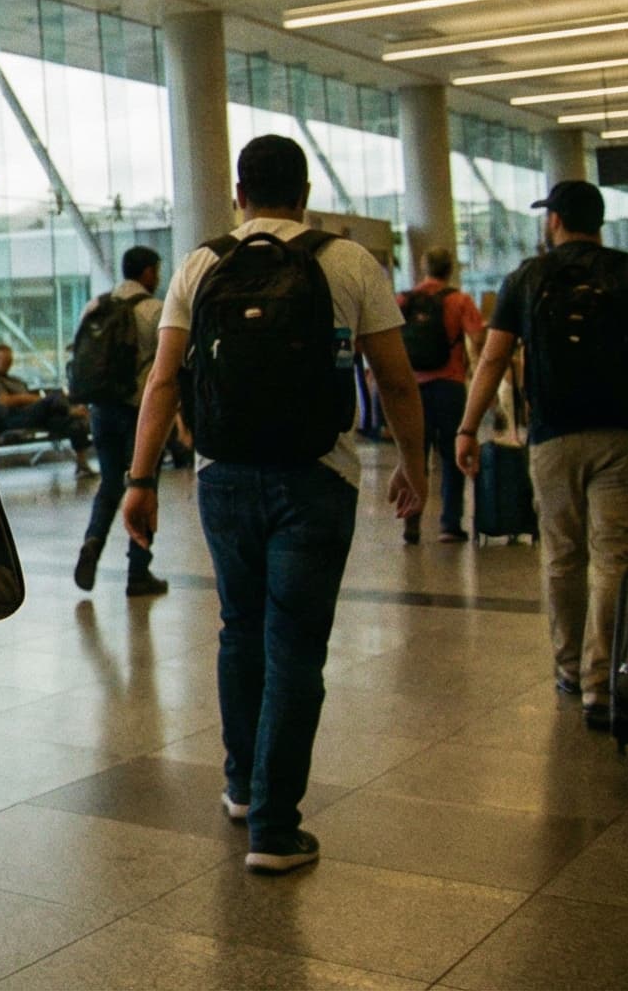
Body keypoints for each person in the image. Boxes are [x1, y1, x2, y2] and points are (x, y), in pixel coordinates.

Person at [124, 135, 423, 878]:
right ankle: (275, 826)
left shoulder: (201, 263)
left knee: (240, 631)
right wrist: (416, 466)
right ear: (305, 189)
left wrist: (139, 480)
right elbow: (397, 380)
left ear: (238, 191)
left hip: (225, 478)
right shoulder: (349, 261)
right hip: (317, 477)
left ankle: (239, 785)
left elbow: (163, 383)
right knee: (295, 647)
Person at [453, 180, 628, 726]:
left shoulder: (527, 277)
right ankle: (601, 680)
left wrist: (467, 429)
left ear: (556, 220)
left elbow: (492, 361)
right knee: (615, 556)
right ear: (601, 221)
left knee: (564, 557)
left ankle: (568, 667)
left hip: (554, 437)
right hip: (625, 435)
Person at [71, 246, 167, 598]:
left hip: (101, 409)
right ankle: (138, 573)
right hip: (139, 412)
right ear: (145, 273)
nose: (157, 277)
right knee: (143, 485)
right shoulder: (155, 311)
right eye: (155, 270)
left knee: (110, 482)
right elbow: (168, 370)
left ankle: (93, 543)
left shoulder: (95, 306)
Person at [399, 248, 486, 544]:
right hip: (450, 386)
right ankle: (450, 524)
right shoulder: (459, 300)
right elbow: (478, 338)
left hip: (413, 390)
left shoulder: (405, 300)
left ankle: (411, 521)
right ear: (450, 269)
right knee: (452, 457)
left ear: (424, 266)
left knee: (414, 456)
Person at [0, 344, 93, 475]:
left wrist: (35, 400)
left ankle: (82, 464)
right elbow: (5, 400)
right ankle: (72, 411)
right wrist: (33, 399)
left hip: (34, 416)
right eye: (2, 360)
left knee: (71, 423)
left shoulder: (15, 380)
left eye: (9, 361)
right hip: (15, 418)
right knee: (54, 395)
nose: (6, 364)